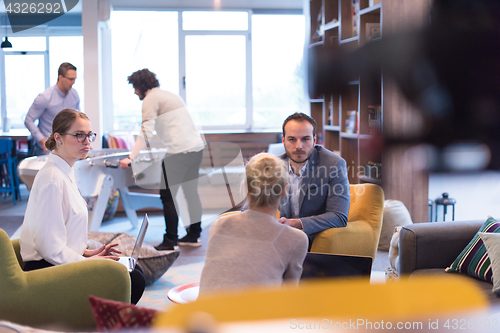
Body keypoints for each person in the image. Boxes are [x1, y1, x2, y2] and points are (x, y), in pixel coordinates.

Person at [20, 109, 145, 304]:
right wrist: (88, 262)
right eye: (79, 135)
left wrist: (86, 252)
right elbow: (47, 247)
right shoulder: (53, 179)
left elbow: (61, 232)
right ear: (58, 138)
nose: (87, 141)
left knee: (133, 270)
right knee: (133, 279)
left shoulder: (65, 171)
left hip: (58, 262)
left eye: (89, 135)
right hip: (46, 271)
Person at [119, 69, 205, 251]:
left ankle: (170, 240)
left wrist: (130, 157)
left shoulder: (151, 98)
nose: (135, 92)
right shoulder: (168, 95)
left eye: (135, 87)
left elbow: (146, 131)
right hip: (196, 148)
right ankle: (194, 235)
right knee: (190, 193)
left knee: (168, 196)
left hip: (179, 151)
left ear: (142, 86)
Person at [199, 153, 308, 295]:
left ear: (246, 187)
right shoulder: (296, 239)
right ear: (285, 189)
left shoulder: (219, 224)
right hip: (254, 316)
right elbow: (289, 296)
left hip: (203, 315)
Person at [278, 112, 350, 245]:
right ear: (283, 140)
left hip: (312, 241)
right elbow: (253, 207)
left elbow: (339, 216)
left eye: (305, 139)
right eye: (292, 139)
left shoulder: (334, 164)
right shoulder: (273, 166)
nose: (299, 146)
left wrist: (297, 223)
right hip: (277, 238)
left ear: (314, 140)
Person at [25, 62, 80, 156]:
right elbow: (28, 120)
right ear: (60, 77)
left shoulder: (74, 95)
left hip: (67, 146)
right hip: (48, 148)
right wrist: (42, 140)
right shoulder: (45, 97)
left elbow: (78, 120)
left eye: (75, 79)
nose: (73, 82)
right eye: (71, 79)